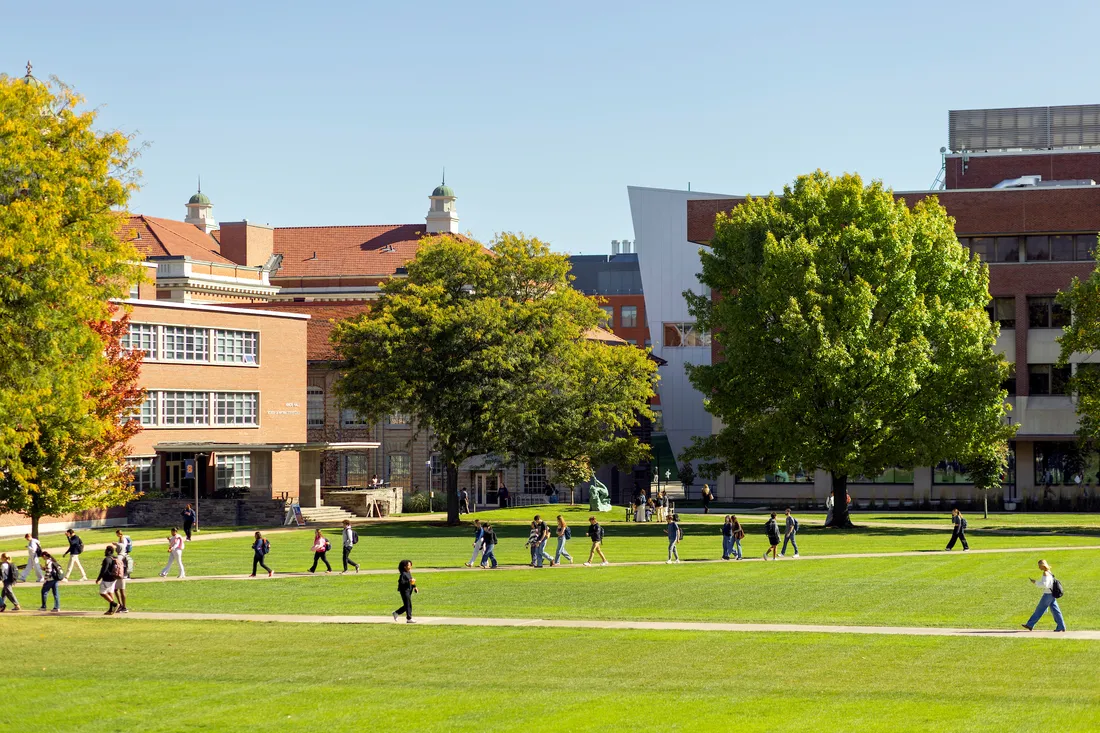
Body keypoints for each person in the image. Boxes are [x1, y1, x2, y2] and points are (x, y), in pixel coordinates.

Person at [1022, 559, 1066, 632]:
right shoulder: (1049, 572)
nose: (1039, 567)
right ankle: (1061, 626)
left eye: (1039, 566)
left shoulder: (1045, 573)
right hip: (1052, 594)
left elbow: (1045, 585)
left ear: (1043, 566)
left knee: (1039, 610)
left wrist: (1035, 582)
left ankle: (1030, 624)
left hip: (1048, 594)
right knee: (1056, 611)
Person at [96, 546, 120, 615]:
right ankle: (110, 610)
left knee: (102, 593)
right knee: (110, 592)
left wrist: (98, 578)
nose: (105, 552)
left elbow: (104, 570)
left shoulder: (107, 559)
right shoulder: (115, 558)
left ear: (109, 551)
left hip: (107, 579)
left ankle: (114, 604)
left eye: (106, 550)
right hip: (114, 578)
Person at [392, 559, 417, 624]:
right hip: (404, 590)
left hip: (409, 590)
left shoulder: (408, 572)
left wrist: (415, 587)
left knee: (407, 605)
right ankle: (409, 618)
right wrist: (409, 581)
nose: (410, 566)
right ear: (404, 566)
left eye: (411, 565)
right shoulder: (403, 574)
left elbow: (411, 580)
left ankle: (396, 613)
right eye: (409, 565)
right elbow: (401, 582)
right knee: (408, 605)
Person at [112, 543, 129, 614]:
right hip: (124, 575)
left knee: (119, 590)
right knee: (119, 590)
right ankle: (122, 605)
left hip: (119, 575)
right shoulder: (126, 555)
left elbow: (116, 566)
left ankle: (123, 606)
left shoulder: (119, 557)